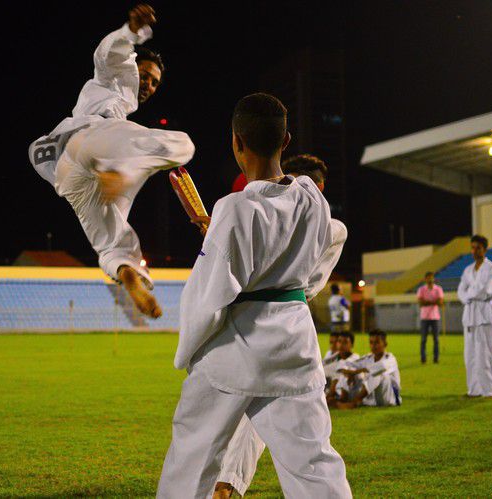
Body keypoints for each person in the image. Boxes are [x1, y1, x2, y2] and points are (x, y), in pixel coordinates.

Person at [157, 93, 350, 499]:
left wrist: (187, 352)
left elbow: (208, 297)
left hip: (235, 350)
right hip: (294, 343)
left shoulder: (232, 208)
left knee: (192, 460)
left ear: (236, 142)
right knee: (314, 464)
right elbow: (302, 253)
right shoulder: (313, 199)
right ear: (286, 141)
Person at [28, 4, 195, 318]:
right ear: (134, 67)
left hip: (70, 173)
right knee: (183, 144)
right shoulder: (117, 81)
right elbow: (109, 56)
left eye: (155, 83)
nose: (148, 85)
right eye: (146, 76)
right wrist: (130, 33)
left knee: (110, 241)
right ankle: (120, 171)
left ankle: (127, 274)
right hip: (91, 141)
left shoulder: (120, 106)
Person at [214, 153, 346, 498]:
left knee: (259, 409)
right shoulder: (273, 219)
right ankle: (227, 483)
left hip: (261, 324)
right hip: (285, 329)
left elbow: (297, 280)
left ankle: (226, 483)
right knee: (288, 426)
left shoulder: (328, 227)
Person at [458, 235, 492, 397]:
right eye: (473, 247)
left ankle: (490, 390)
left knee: (486, 354)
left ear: (485, 249)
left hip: (484, 316)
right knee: (470, 355)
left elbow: (486, 291)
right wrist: (468, 295)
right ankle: (474, 390)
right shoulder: (468, 270)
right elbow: (461, 291)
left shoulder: (491, 268)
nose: (475, 251)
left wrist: (469, 294)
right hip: (469, 316)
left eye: (478, 248)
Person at [329, 329, 401, 409]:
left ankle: (353, 403)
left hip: (390, 398)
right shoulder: (368, 358)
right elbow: (345, 363)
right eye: (371, 342)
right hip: (372, 399)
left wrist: (355, 372)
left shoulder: (390, 359)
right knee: (350, 371)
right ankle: (342, 399)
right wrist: (350, 372)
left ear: (385, 344)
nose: (373, 346)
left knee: (378, 373)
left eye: (377, 342)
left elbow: (380, 367)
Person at [416, 271, 444, 363]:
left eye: (431, 278)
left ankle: (436, 358)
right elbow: (420, 303)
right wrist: (434, 301)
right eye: (428, 278)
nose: (430, 279)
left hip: (435, 317)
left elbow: (440, 303)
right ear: (425, 279)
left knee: (436, 339)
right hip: (424, 317)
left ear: (434, 278)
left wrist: (427, 302)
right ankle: (423, 358)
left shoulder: (438, 289)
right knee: (423, 339)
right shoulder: (421, 289)